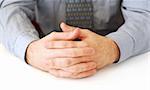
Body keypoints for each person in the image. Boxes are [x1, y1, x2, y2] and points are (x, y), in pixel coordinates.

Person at [0, 0, 149, 79]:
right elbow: (11, 6)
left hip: (120, 63)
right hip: (47, 50)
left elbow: (144, 13)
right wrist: (30, 49)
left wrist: (113, 47)